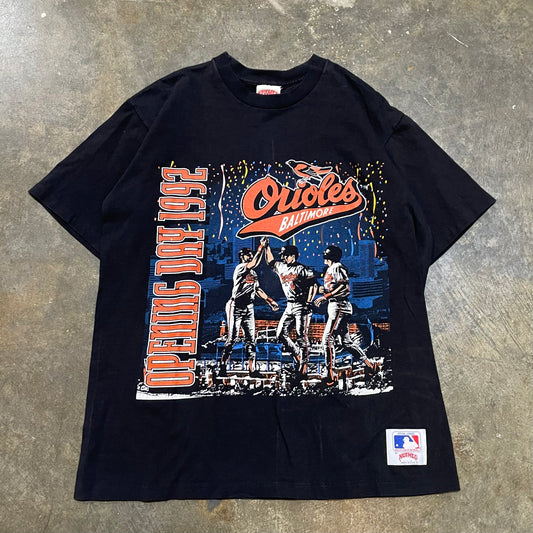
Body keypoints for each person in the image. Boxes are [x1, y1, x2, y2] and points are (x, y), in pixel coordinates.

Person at [314, 245, 379, 386]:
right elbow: (336, 286)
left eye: (325, 255)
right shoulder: (331, 269)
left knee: (327, 338)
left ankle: (330, 374)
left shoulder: (338, 267)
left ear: (329, 256)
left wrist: (326, 296)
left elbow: (344, 287)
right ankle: (370, 365)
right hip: (336, 305)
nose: (323, 257)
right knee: (346, 342)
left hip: (339, 305)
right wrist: (324, 290)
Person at [220, 237, 279, 378]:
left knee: (251, 340)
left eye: (251, 254)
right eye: (248, 255)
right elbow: (254, 263)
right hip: (235, 305)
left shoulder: (253, 273)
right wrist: (261, 247)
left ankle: (252, 370)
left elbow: (257, 289)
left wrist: (269, 301)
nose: (250, 256)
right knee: (232, 338)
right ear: (242, 257)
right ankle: (222, 367)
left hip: (248, 307)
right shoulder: (240, 268)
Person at [265, 243, 317, 376]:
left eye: (285, 255)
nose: (283, 257)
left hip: (301, 305)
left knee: (301, 337)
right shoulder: (281, 266)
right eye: (282, 255)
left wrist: (308, 302)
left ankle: (303, 368)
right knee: (280, 334)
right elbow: (271, 262)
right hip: (289, 305)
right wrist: (267, 247)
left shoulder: (302, 269)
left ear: (293, 256)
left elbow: (314, 286)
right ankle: (299, 357)